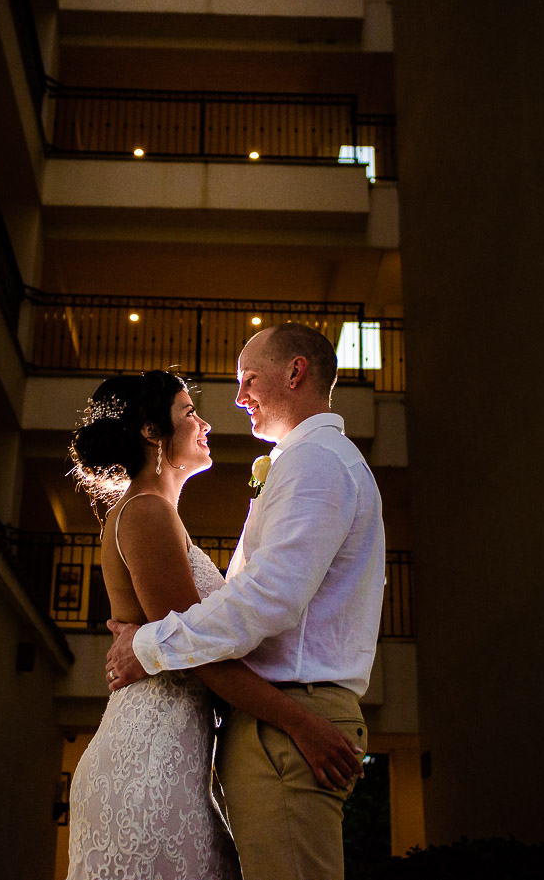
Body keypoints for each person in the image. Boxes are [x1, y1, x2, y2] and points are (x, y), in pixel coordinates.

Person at [104, 324, 386, 880]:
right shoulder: (305, 461)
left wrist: (149, 644)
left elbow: (267, 600)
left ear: (295, 372)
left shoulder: (316, 462)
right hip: (273, 718)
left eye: (248, 379)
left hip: (288, 716)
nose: (237, 399)